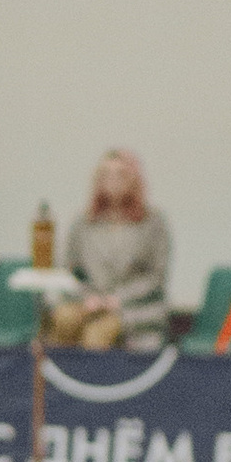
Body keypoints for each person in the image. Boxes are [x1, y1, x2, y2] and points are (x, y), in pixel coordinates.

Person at [55, 150, 171, 349]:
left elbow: (155, 277)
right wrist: (88, 298)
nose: (113, 180)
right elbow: (69, 271)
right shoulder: (83, 223)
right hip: (89, 302)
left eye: (120, 174)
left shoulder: (153, 223)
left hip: (134, 307)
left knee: (97, 335)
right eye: (106, 174)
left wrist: (116, 299)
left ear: (134, 179)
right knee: (64, 319)